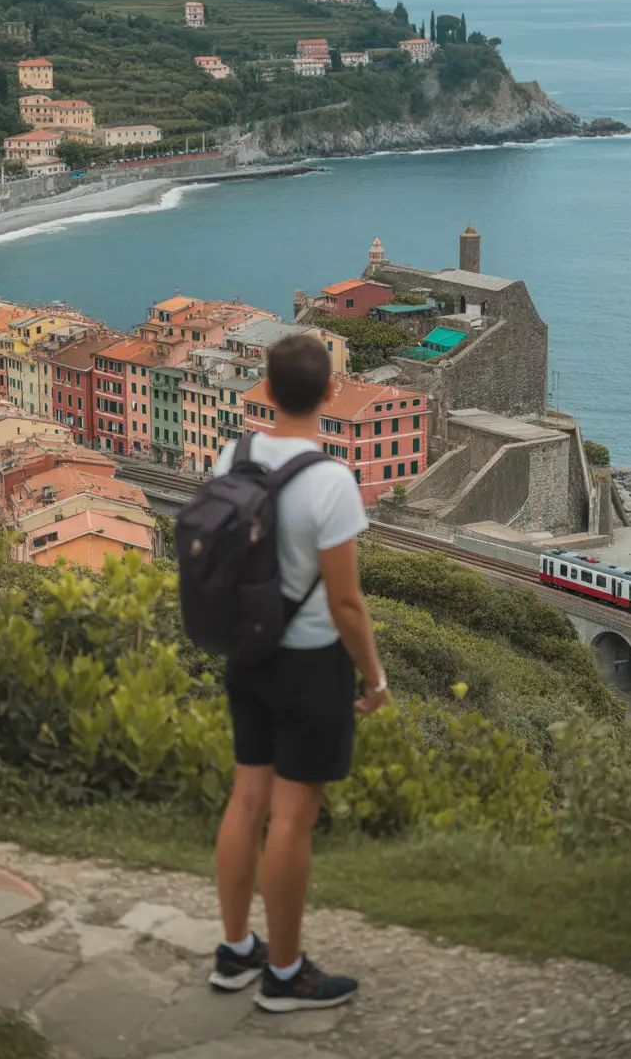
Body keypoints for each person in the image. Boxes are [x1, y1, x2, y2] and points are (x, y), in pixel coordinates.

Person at [208, 334, 387, 1012]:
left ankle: (235, 952)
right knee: (290, 817)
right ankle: (285, 974)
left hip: (244, 650)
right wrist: (373, 677)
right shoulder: (331, 481)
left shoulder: (233, 454)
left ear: (266, 388)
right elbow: (346, 601)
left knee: (246, 799)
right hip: (310, 663)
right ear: (331, 394)